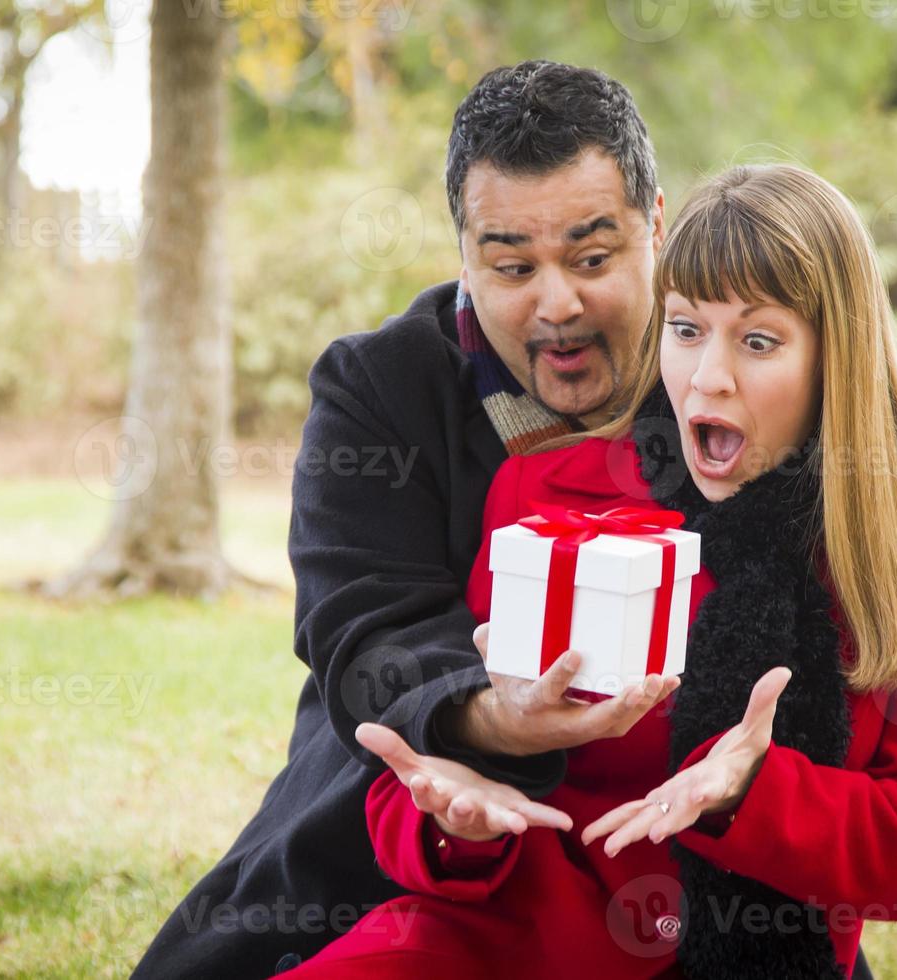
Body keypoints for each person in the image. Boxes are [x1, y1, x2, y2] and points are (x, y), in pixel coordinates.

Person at [281, 163, 897, 979]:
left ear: (835, 357)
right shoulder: (550, 495)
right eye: (684, 329)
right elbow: (410, 792)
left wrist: (757, 790)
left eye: (757, 340)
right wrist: (454, 824)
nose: (708, 376)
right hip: (495, 947)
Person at [132, 61, 677, 979]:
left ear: (655, 224)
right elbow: (361, 628)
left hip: (663, 840)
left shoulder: (719, 371)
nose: (556, 303)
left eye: (591, 258)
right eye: (512, 266)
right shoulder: (378, 387)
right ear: (462, 251)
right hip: (417, 802)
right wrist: (492, 717)